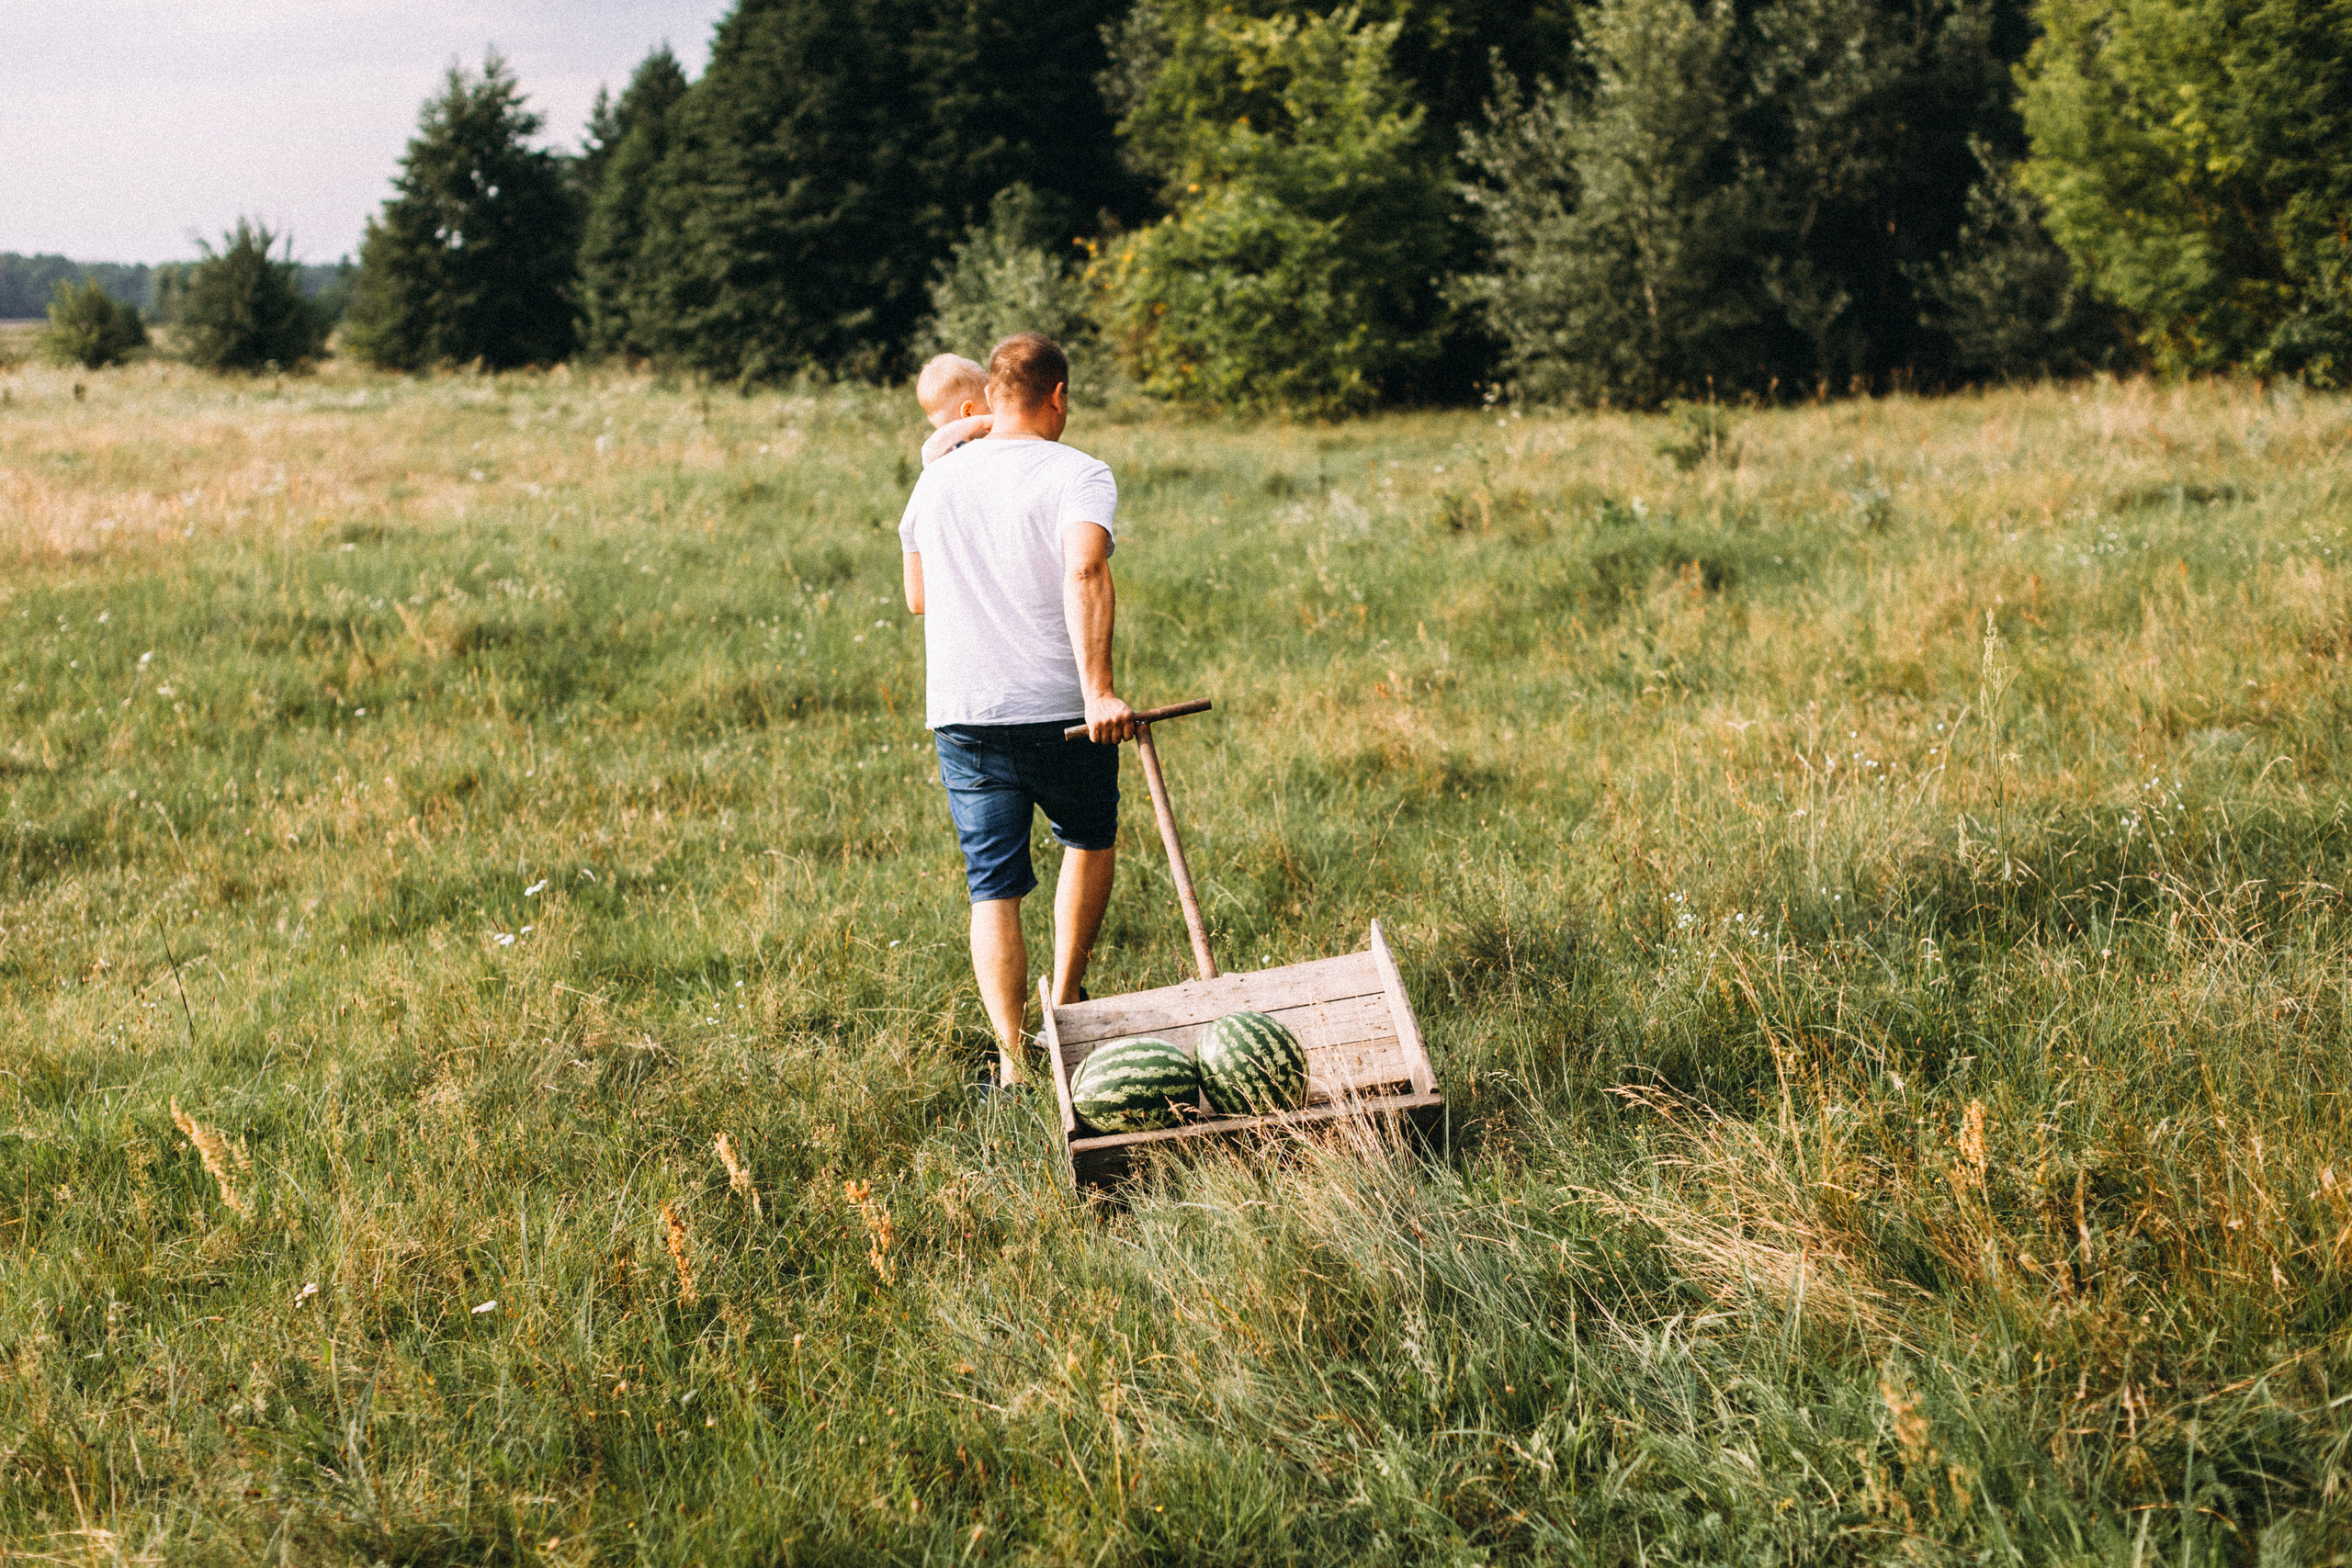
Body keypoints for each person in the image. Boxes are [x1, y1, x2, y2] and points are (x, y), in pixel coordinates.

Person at [899, 333, 1136, 1084]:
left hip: (965, 712)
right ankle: (1064, 1006)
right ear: (1058, 395)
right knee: (1089, 837)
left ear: (991, 396)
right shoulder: (1080, 473)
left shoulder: (933, 484)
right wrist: (1098, 689)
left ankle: (1011, 1059)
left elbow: (918, 598)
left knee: (992, 884)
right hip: (1060, 707)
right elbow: (1086, 567)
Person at [913, 352, 994, 468]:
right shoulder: (940, 450)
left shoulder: (980, 444)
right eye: (988, 409)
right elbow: (939, 438)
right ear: (968, 413)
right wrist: (983, 421)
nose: (992, 413)